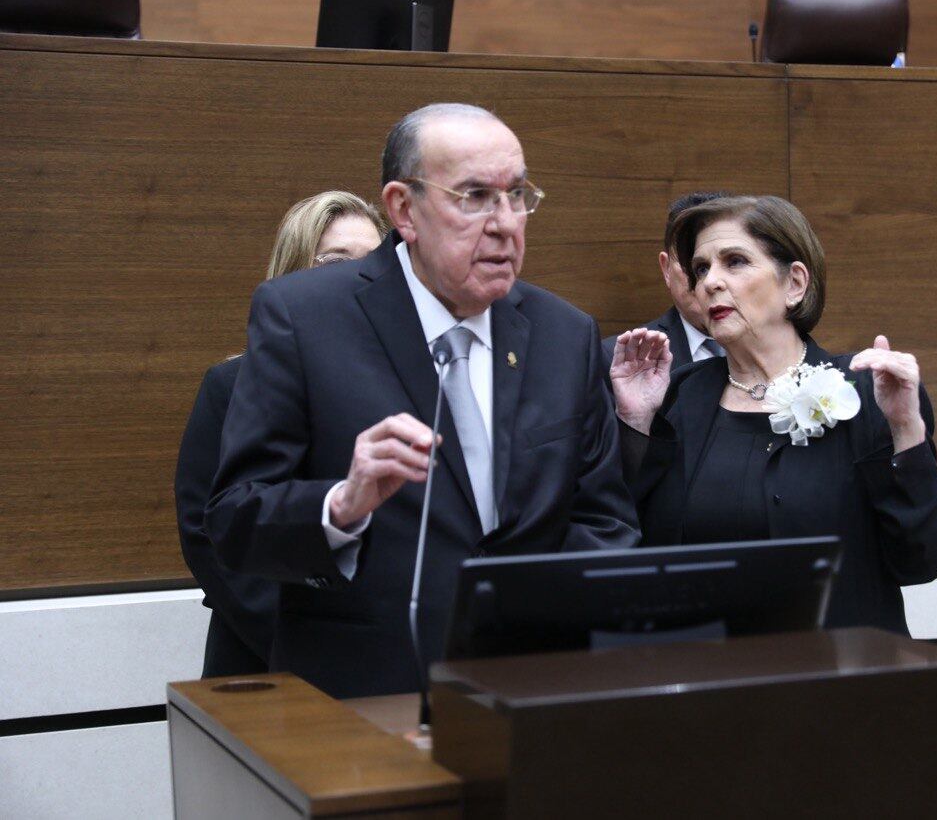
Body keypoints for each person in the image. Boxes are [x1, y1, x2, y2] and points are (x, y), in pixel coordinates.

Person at [205, 103, 640, 699]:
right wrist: (342, 504)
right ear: (404, 209)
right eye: (475, 196)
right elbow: (234, 519)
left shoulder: (565, 334)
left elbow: (604, 522)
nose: (505, 222)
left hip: (527, 691)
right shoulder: (304, 317)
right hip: (364, 695)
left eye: (517, 195)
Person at [610, 195, 937, 635]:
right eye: (700, 269)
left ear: (794, 283)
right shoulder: (679, 395)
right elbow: (626, 543)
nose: (710, 282)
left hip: (838, 667)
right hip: (704, 665)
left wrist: (906, 430)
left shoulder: (866, 391)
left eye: (735, 262)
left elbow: (923, 560)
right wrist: (635, 425)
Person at [175, 191, 385, 677]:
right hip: (266, 660)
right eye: (336, 261)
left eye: (373, 261)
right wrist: (305, 647)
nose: (357, 276)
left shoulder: (404, 384)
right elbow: (208, 534)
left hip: (383, 663)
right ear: (294, 270)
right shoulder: (231, 385)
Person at [602, 191, 730, 368]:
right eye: (695, 264)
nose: (710, 280)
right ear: (666, 269)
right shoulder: (621, 359)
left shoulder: (771, 346)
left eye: (732, 262)